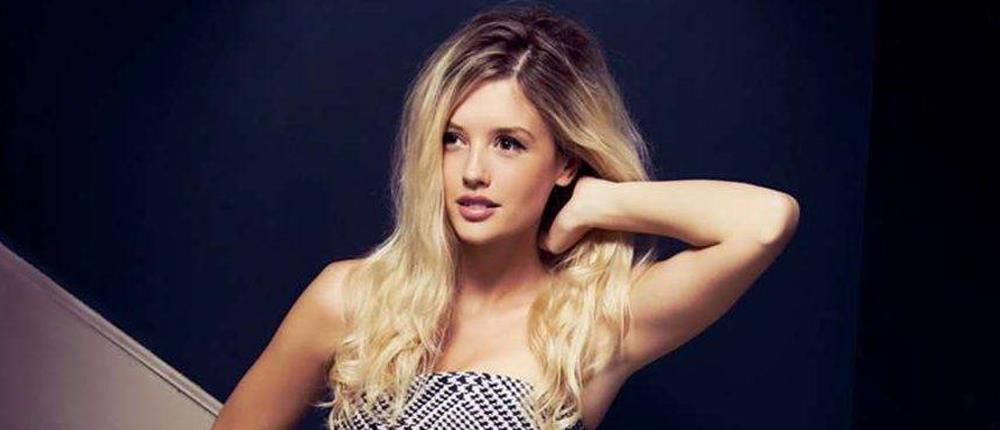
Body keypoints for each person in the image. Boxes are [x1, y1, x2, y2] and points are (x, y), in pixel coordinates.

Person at [211, 2, 800, 430]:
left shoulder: (592, 325)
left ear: (565, 161)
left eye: (509, 144)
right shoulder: (349, 298)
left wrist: (598, 201)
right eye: (453, 139)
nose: (473, 171)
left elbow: (764, 221)